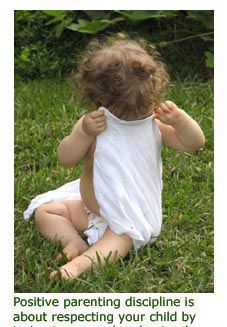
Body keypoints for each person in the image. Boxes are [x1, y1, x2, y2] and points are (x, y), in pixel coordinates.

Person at [24, 38, 205, 280]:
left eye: (144, 106)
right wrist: (83, 133)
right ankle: (73, 242)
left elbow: (194, 143)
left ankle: (79, 267)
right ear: (101, 101)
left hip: (128, 215)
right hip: (92, 209)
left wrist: (180, 121)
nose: (139, 115)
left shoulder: (152, 124)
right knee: (46, 212)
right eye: (127, 112)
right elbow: (65, 158)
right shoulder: (93, 125)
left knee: (121, 239)